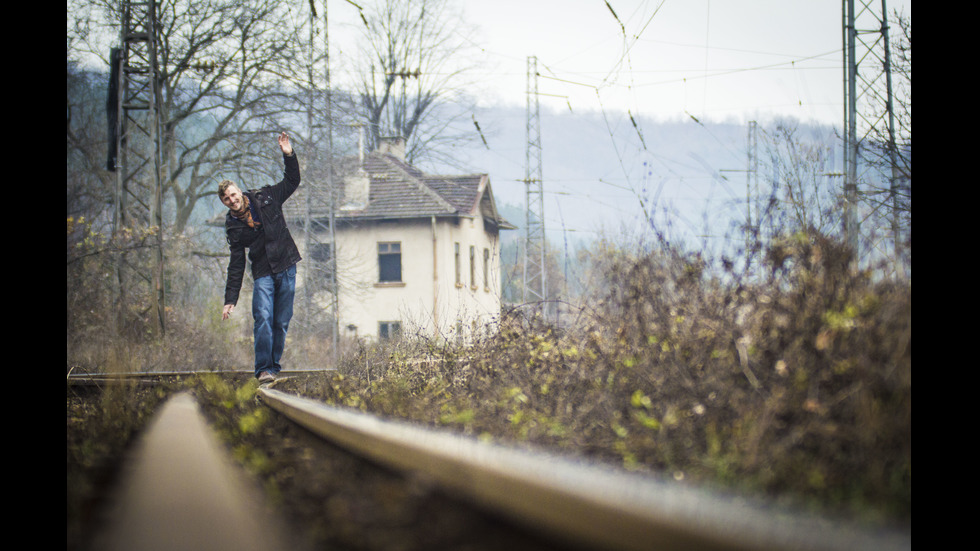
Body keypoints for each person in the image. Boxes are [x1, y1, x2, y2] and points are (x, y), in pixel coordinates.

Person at [219, 132, 302, 384]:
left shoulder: (265, 198)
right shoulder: (233, 227)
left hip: (286, 265)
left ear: (238, 192)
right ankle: (263, 369)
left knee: (281, 321)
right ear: (224, 203)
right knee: (263, 316)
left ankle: (274, 367)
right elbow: (236, 263)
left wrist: (288, 153)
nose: (232, 200)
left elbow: (292, 180)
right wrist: (230, 299)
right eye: (226, 199)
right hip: (263, 272)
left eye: (233, 194)